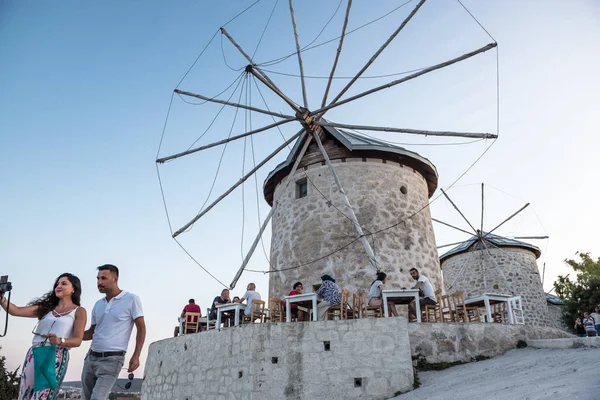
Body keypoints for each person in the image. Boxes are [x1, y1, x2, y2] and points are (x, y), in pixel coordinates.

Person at [0, 273, 87, 400]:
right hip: (34, 352)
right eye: (57, 284)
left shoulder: (79, 311)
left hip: (55, 353)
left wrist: (59, 340)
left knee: (43, 395)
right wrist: (2, 299)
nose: (59, 286)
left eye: (64, 283)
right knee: (25, 393)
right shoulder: (46, 308)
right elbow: (16, 310)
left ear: (74, 288)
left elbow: (77, 340)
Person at [81, 264, 145, 400]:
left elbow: (141, 328)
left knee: (97, 398)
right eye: (98, 279)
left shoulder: (131, 299)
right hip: (90, 358)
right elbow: (91, 333)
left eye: (103, 278)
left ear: (115, 279)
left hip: (112, 360)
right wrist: (68, 336)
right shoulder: (98, 304)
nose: (99, 282)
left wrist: (136, 355)